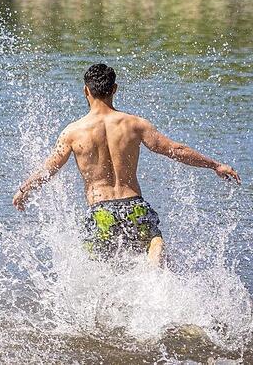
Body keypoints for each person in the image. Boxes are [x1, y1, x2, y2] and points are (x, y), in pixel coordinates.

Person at [12, 63, 240, 266]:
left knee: (100, 271)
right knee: (154, 245)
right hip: (134, 208)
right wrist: (215, 165)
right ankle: (154, 262)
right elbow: (175, 150)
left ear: (86, 91)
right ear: (115, 89)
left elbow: (49, 169)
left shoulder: (73, 132)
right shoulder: (134, 125)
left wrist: (25, 190)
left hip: (100, 212)